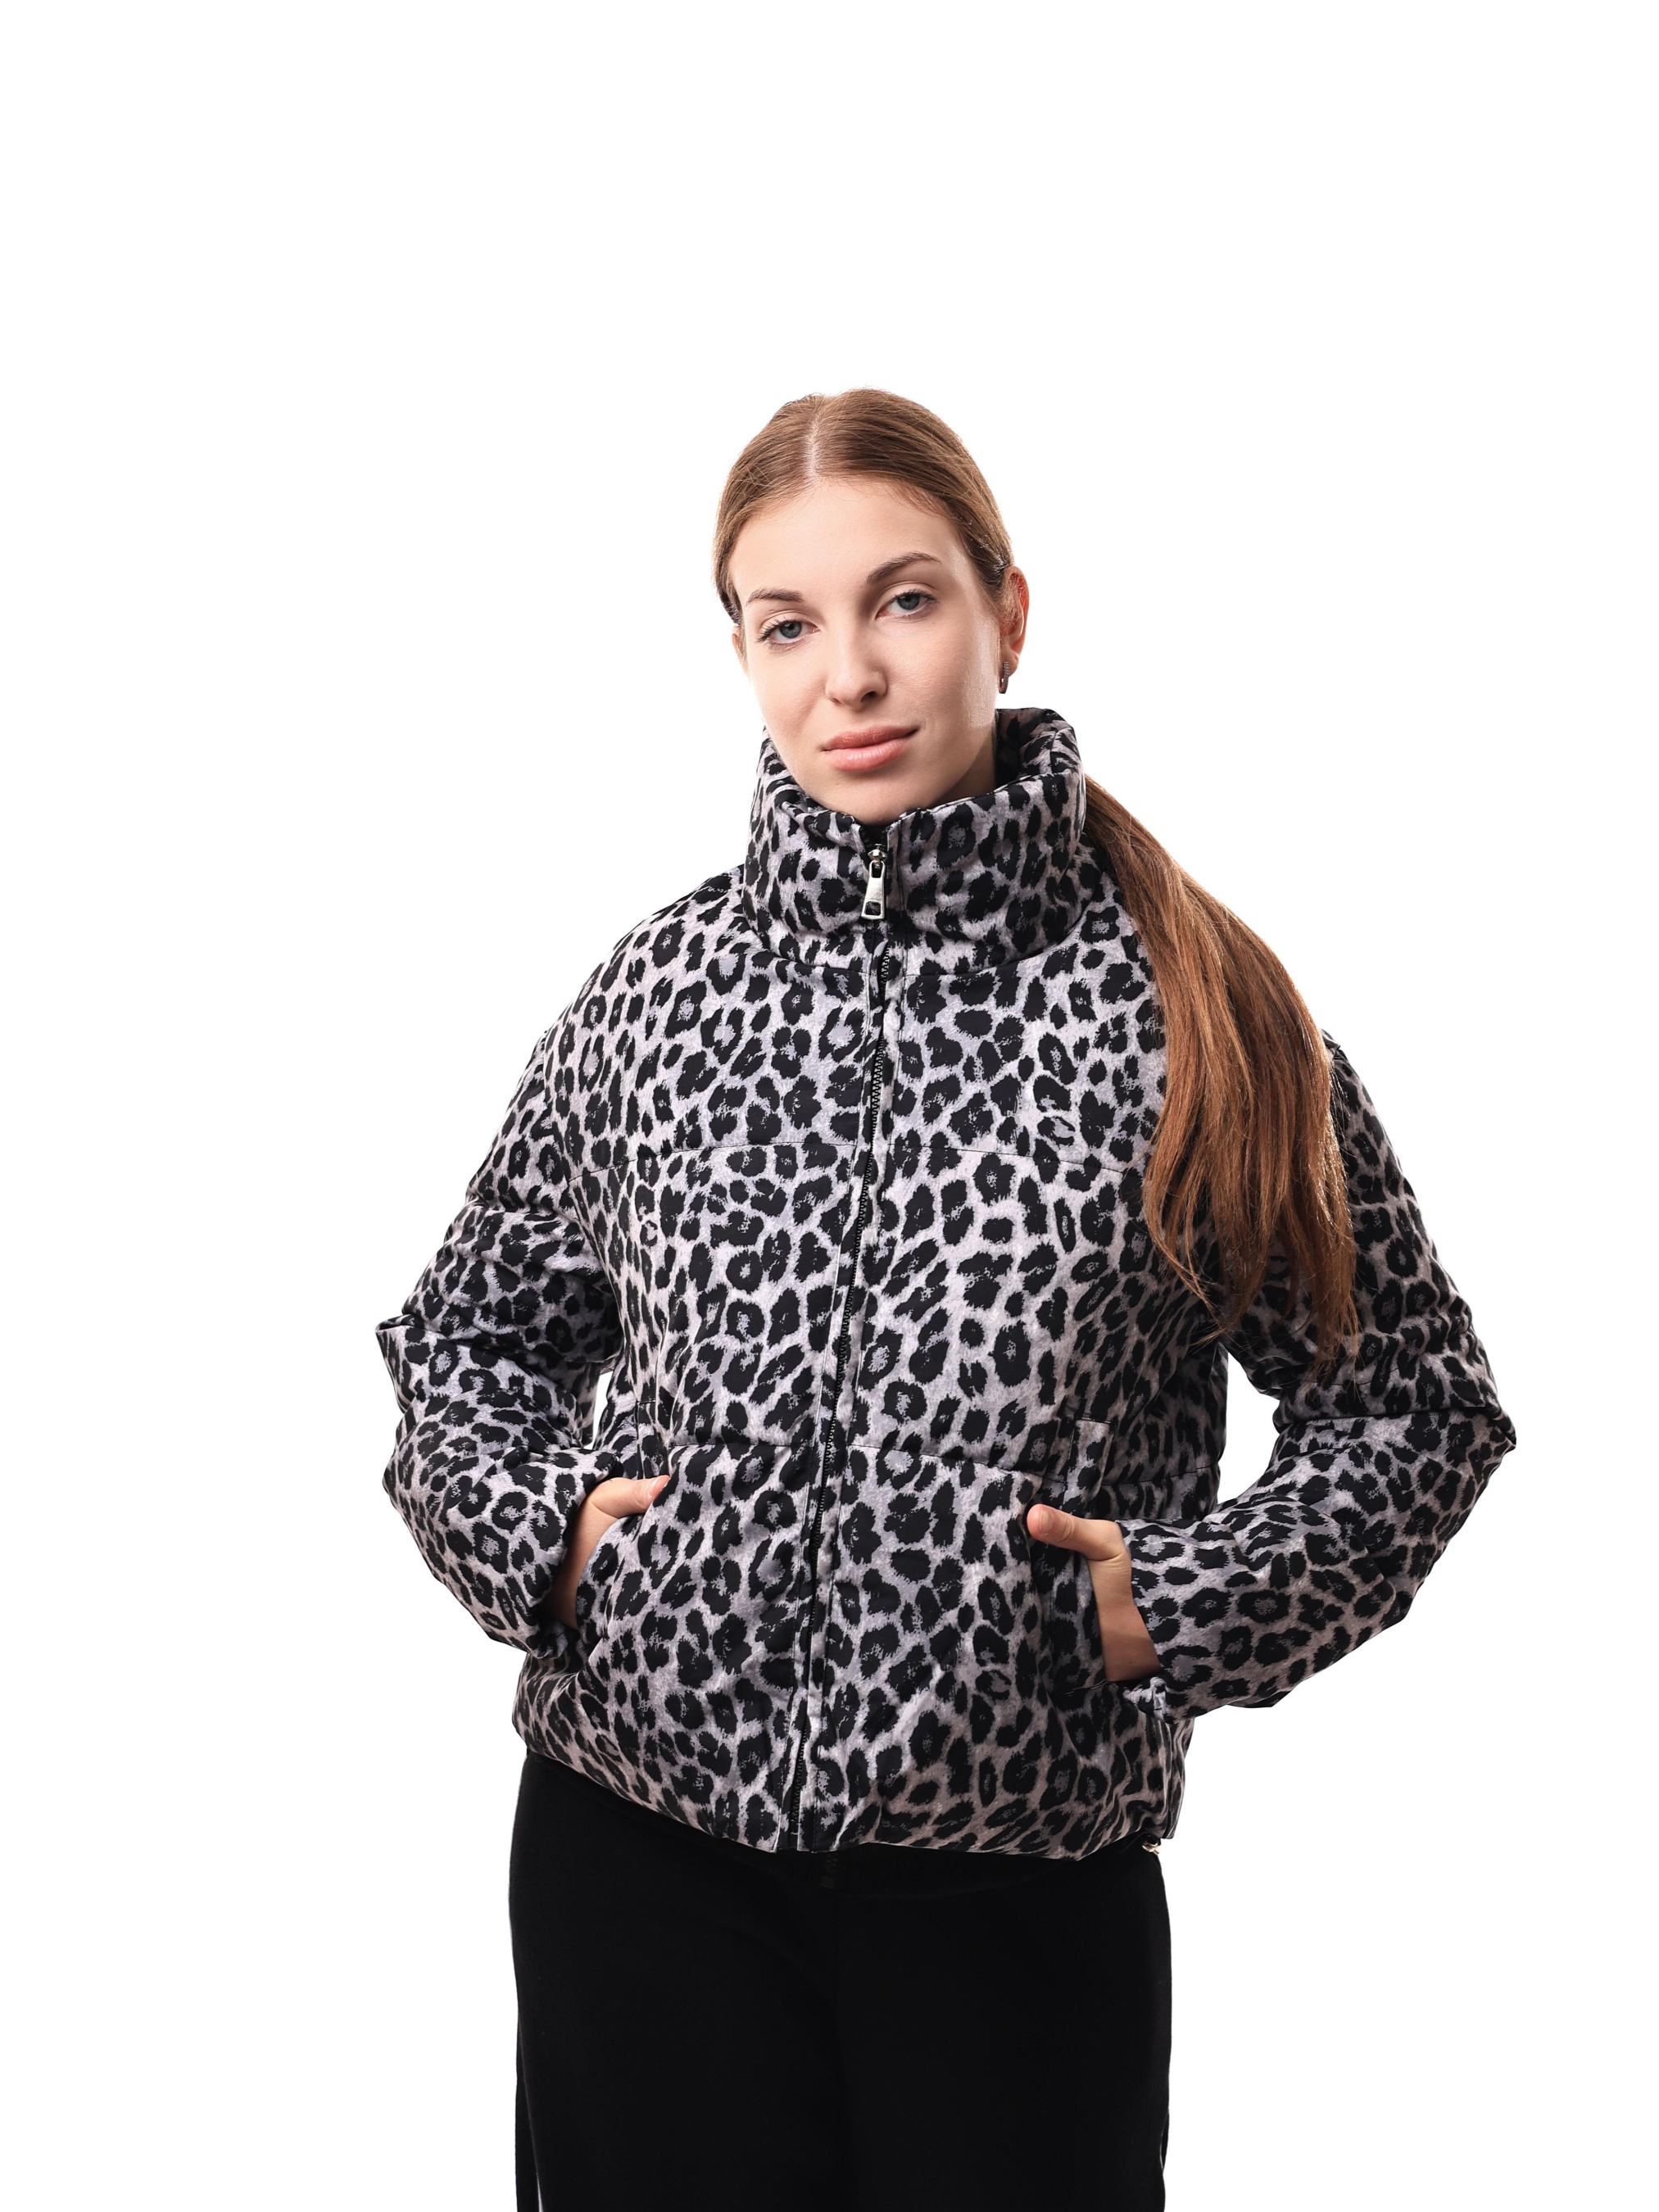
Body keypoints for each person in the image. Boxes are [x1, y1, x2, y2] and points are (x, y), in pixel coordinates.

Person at [375, 388, 1516, 2211]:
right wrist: (549, 1546)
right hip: (638, 1865)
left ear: (1006, 611)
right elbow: (469, 1336)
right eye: (787, 624)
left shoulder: (1192, 1015)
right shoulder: (657, 997)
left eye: (902, 602)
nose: (849, 674)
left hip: (1017, 1902)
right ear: (740, 654)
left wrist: (1175, 1610)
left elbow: (1413, 1407)